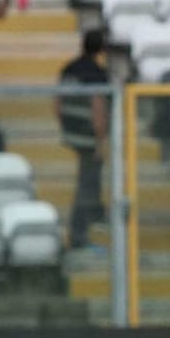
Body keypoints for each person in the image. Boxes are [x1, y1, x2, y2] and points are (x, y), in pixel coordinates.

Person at [55, 29, 109, 250]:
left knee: (90, 180)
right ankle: (78, 236)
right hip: (88, 136)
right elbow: (98, 107)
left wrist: (65, 126)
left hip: (72, 132)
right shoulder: (97, 73)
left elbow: (57, 102)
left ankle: (97, 212)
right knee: (85, 185)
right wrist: (100, 140)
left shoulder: (69, 68)